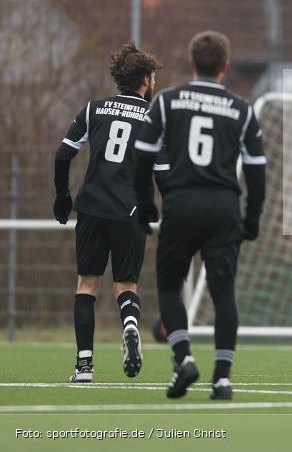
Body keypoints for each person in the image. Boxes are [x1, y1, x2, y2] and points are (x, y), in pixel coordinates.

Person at [133, 31, 266, 400]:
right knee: (223, 292)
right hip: (224, 207)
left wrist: (146, 204)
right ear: (226, 66)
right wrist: (252, 216)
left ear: (191, 63)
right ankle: (222, 379)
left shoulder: (166, 101)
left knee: (169, 285)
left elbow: (142, 156)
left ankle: (184, 359)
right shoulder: (242, 109)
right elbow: (256, 170)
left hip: (181, 203)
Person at [53, 42, 161, 383]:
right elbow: (165, 175)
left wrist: (62, 196)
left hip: (92, 208)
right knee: (125, 284)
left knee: (86, 285)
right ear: (145, 80)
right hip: (130, 211)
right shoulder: (154, 119)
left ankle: (84, 367)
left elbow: (63, 155)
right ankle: (129, 323)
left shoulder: (93, 109)